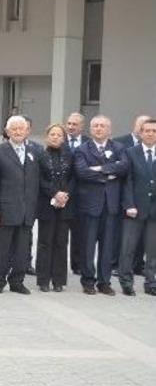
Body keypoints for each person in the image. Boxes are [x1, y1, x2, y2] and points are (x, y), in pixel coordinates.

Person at [0, 116, 40, 294]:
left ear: (27, 131)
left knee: (22, 250)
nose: (18, 132)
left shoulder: (34, 152)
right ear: (7, 131)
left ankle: (17, 281)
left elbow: (36, 182)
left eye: (21, 128)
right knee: (2, 249)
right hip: (5, 210)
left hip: (26, 211)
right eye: (14, 129)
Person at [74, 115, 127, 295]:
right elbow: (82, 172)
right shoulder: (82, 149)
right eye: (95, 125)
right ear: (90, 129)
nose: (98, 128)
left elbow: (124, 167)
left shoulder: (119, 148)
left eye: (102, 126)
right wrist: (109, 173)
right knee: (88, 246)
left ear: (109, 130)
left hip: (111, 206)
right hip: (90, 205)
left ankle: (104, 282)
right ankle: (88, 281)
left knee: (108, 247)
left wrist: (99, 169)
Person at [118, 118, 156, 296]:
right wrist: (129, 205)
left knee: (152, 250)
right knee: (128, 248)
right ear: (140, 133)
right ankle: (126, 282)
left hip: (154, 211)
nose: (151, 134)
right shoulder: (130, 152)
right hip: (134, 210)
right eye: (147, 130)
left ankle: (151, 283)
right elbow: (127, 181)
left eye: (154, 131)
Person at [35, 124, 75, 292]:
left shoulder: (70, 156)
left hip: (65, 204)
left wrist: (65, 194)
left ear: (63, 138)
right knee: (45, 242)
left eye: (59, 135)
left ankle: (58, 280)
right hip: (46, 203)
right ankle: (43, 280)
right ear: (47, 137)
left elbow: (73, 178)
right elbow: (39, 179)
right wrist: (54, 193)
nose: (55, 137)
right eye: (52, 134)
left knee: (61, 242)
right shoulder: (40, 155)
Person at [65, 112, 90, 274]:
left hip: (82, 194)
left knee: (80, 232)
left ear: (82, 126)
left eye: (74, 124)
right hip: (62, 193)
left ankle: (78, 264)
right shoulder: (59, 140)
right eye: (69, 123)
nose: (71, 127)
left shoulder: (88, 143)